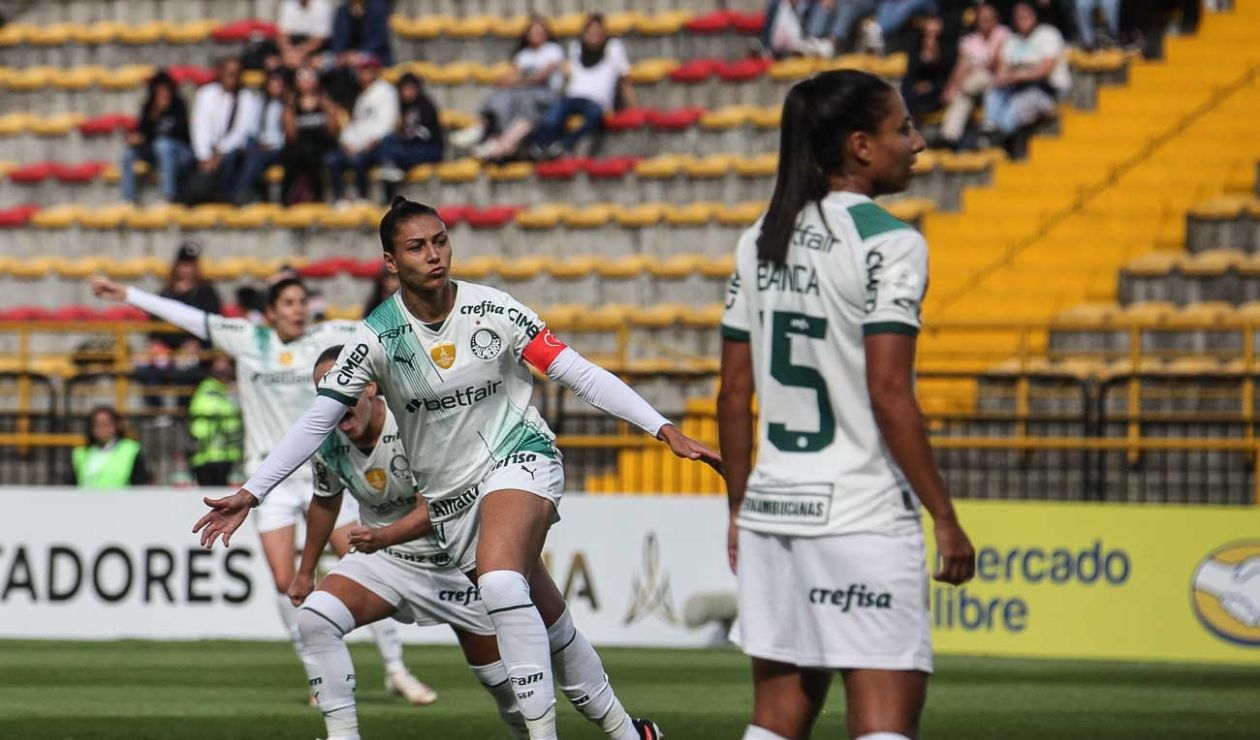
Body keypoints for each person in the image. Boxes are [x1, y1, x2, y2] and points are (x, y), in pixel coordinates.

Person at [192, 195, 723, 740]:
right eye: (416, 247)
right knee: (552, 624)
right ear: (391, 261)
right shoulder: (375, 337)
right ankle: (629, 733)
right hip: (451, 502)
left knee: (499, 582)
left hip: (519, 455)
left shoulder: (495, 309)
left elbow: (577, 372)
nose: (434, 254)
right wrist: (252, 493)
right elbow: (315, 422)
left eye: (440, 241)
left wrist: (661, 426)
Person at [716, 69, 976, 740]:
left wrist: (739, 508)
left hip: (774, 512)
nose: (917, 143)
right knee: (883, 724)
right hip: (860, 514)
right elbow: (889, 392)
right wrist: (944, 516)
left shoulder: (760, 238)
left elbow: (734, 394)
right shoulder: (891, 241)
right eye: (903, 129)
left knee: (774, 724)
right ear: (860, 146)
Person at [88, 274, 434, 706]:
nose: (297, 310)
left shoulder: (329, 336)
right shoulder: (248, 339)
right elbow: (194, 320)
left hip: (329, 470)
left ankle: (396, 669)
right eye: (288, 303)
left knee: (367, 567)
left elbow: (385, 327)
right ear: (270, 312)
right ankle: (318, 675)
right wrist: (130, 294)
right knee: (286, 581)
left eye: (302, 301)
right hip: (271, 482)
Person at [290, 346, 530, 739]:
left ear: (370, 387)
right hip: (386, 561)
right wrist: (305, 572)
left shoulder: (413, 423)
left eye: (343, 387)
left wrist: (380, 536)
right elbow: (325, 501)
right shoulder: (326, 442)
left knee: (506, 690)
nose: (334, 400)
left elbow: (435, 510)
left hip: (453, 563)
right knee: (314, 619)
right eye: (325, 392)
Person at [452, 17, 565, 161]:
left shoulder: (553, 50)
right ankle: (482, 127)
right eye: (533, 32)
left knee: (526, 108)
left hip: (544, 95)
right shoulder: (524, 54)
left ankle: (503, 143)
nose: (536, 35)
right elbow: (510, 78)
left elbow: (541, 77)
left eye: (539, 32)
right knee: (502, 96)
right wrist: (512, 81)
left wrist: (519, 81)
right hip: (524, 93)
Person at [528, 14, 635, 159]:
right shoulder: (576, 47)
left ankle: (563, 145)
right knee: (553, 115)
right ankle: (538, 146)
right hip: (573, 96)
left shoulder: (613, 48)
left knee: (594, 116)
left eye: (598, 32)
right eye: (590, 32)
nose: (593, 36)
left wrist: (633, 108)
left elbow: (624, 79)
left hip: (597, 101)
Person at [134, 242, 222, 410]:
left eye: (191, 265)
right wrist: (157, 345)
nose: (187, 270)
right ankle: (156, 412)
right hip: (168, 350)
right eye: (184, 265)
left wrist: (196, 344)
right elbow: (154, 326)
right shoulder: (166, 293)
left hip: (197, 352)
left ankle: (182, 413)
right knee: (143, 366)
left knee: (186, 369)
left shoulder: (207, 293)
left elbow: (213, 324)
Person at [983, 2, 1070, 157]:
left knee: (1014, 108)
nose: (1022, 20)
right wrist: (1004, 75)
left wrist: (1016, 75)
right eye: (1019, 17)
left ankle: (998, 140)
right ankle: (990, 131)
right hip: (1017, 89)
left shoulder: (1048, 34)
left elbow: (1044, 71)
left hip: (1046, 91)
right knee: (993, 92)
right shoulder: (1012, 39)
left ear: (1034, 15)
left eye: (1026, 16)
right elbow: (1003, 69)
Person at [325, 52, 397, 207]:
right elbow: (354, 125)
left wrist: (366, 145)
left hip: (375, 145)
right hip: (357, 146)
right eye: (361, 70)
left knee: (359, 161)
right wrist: (347, 143)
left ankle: (362, 198)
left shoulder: (385, 91)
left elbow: (386, 124)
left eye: (367, 70)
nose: (363, 74)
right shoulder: (361, 96)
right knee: (332, 160)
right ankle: (339, 199)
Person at [189, 56, 261, 203]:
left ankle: (229, 196)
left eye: (236, 73)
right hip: (208, 151)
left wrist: (220, 153)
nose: (232, 77)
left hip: (230, 152)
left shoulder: (247, 98)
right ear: (220, 73)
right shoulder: (205, 94)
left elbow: (241, 131)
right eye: (229, 73)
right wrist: (204, 155)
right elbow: (200, 127)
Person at [940, 3, 1009, 148]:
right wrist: (951, 87)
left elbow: (995, 64)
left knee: (970, 84)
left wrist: (961, 83)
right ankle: (949, 136)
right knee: (962, 98)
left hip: (996, 79)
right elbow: (961, 66)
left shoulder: (1003, 33)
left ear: (996, 19)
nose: (986, 23)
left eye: (989, 19)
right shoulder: (970, 41)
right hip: (973, 84)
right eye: (983, 20)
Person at [120, 70, 194, 203]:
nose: (164, 94)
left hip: (181, 154)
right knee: (128, 153)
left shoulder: (179, 106)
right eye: (160, 91)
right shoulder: (148, 108)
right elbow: (143, 133)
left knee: (162, 144)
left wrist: (149, 136)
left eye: (166, 90)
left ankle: (168, 195)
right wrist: (136, 138)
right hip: (156, 152)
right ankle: (128, 198)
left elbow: (180, 133)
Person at [375, 72, 444, 202]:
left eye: (410, 88)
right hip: (410, 146)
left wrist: (404, 138)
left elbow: (425, 135)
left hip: (429, 148)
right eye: (404, 89)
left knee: (398, 156)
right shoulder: (401, 107)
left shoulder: (425, 106)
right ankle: (389, 183)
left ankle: (393, 171)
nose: (408, 92)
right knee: (387, 141)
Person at [281, 65, 341, 204]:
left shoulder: (325, 102)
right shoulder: (292, 104)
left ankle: (317, 195)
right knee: (296, 154)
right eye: (303, 78)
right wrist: (290, 110)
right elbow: (290, 135)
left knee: (313, 153)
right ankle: (289, 197)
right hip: (300, 147)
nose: (307, 82)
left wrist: (329, 109)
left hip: (321, 145)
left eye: (310, 78)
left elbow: (332, 130)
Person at [231, 69, 290, 205]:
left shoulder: (286, 106)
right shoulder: (259, 102)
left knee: (255, 158)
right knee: (239, 152)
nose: (275, 89)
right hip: (258, 143)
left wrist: (270, 144)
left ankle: (241, 195)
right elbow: (251, 127)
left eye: (278, 86)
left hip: (277, 148)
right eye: (272, 85)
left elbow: (285, 135)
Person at [187, 353, 244, 487]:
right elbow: (208, 411)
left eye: (226, 366)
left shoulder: (231, 389)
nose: (224, 370)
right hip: (208, 451)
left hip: (226, 451)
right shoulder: (209, 388)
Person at [70, 406, 152, 488]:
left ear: (116, 425)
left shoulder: (131, 450)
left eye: (106, 424)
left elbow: (141, 484)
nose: (102, 429)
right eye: (98, 425)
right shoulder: (81, 453)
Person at [900, 16, 953, 121]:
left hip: (937, 91)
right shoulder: (916, 49)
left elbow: (948, 78)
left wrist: (931, 85)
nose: (931, 39)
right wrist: (924, 59)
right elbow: (911, 74)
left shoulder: (949, 51)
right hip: (915, 92)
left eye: (935, 35)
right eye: (928, 34)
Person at [276, 0, 335, 68]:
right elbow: (283, 34)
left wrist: (300, 52)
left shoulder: (323, 6)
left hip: (315, 48)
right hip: (293, 46)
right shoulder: (287, 4)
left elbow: (320, 38)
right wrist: (288, 51)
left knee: (318, 62)